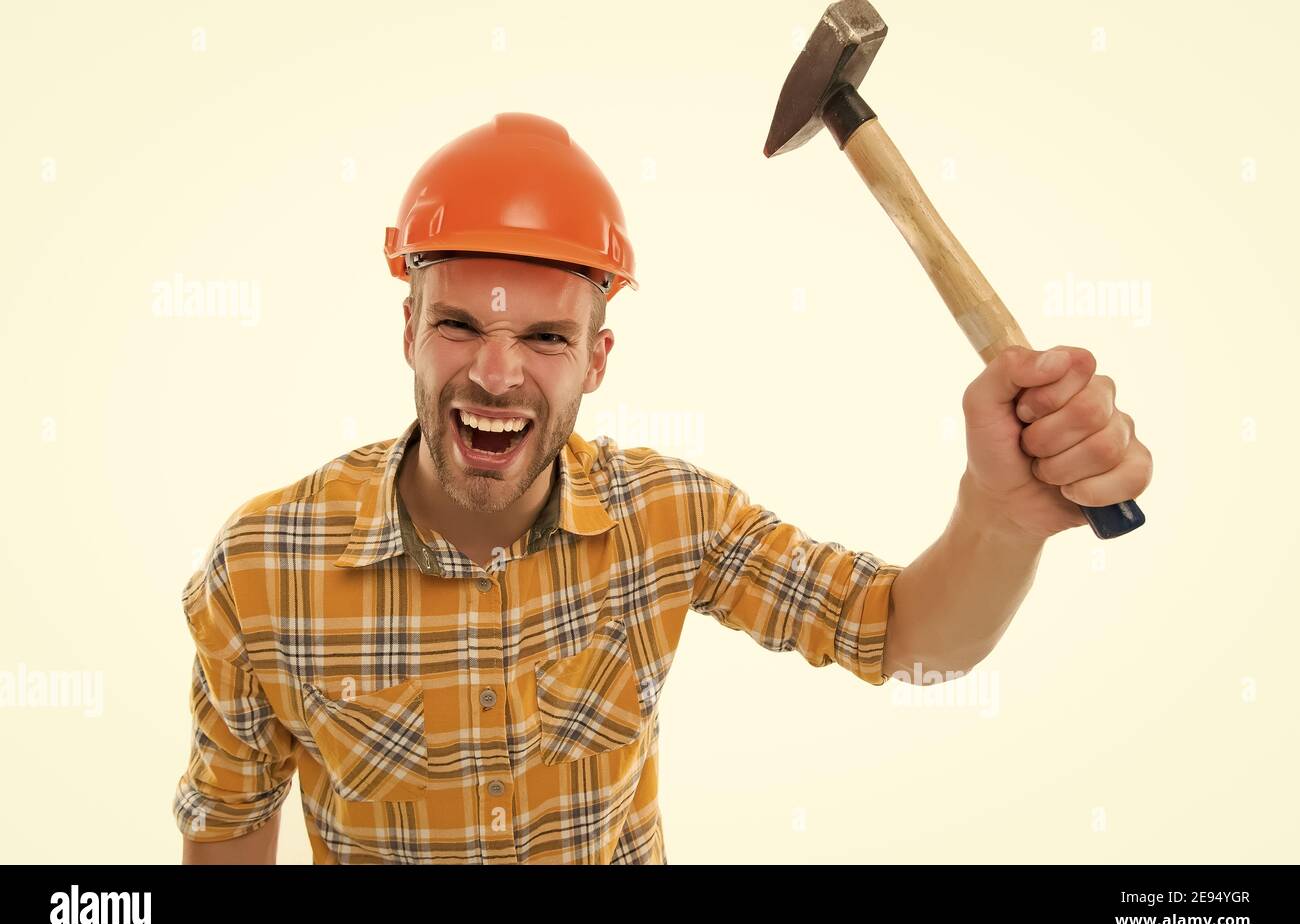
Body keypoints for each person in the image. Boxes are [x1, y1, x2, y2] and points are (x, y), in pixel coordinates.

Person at [174, 112, 1153, 864]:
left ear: (597, 359)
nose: (497, 375)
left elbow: (905, 638)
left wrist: (1001, 518)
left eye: (546, 337)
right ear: (407, 332)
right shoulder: (264, 566)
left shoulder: (667, 518)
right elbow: (229, 826)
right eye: (460, 325)